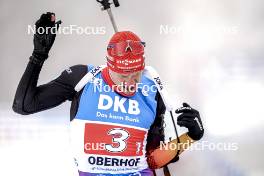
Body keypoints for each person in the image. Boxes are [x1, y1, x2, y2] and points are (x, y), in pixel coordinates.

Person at [13, 12, 204, 176]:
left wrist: (191, 136)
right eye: (123, 76)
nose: (130, 83)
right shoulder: (85, 78)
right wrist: (38, 55)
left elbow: (153, 160)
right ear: (109, 66)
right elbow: (24, 105)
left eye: (136, 75)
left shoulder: (151, 90)